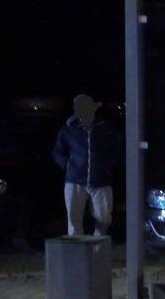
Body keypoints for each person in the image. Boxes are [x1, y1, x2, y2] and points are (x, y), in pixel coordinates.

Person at [52, 94, 121, 236]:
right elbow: (58, 151)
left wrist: (107, 165)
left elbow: (117, 150)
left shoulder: (105, 128)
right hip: (75, 181)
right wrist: (68, 166)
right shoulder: (68, 129)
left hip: (100, 180)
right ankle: (77, 252)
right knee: (74, 220)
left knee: (104, 218)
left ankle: (97, 247)